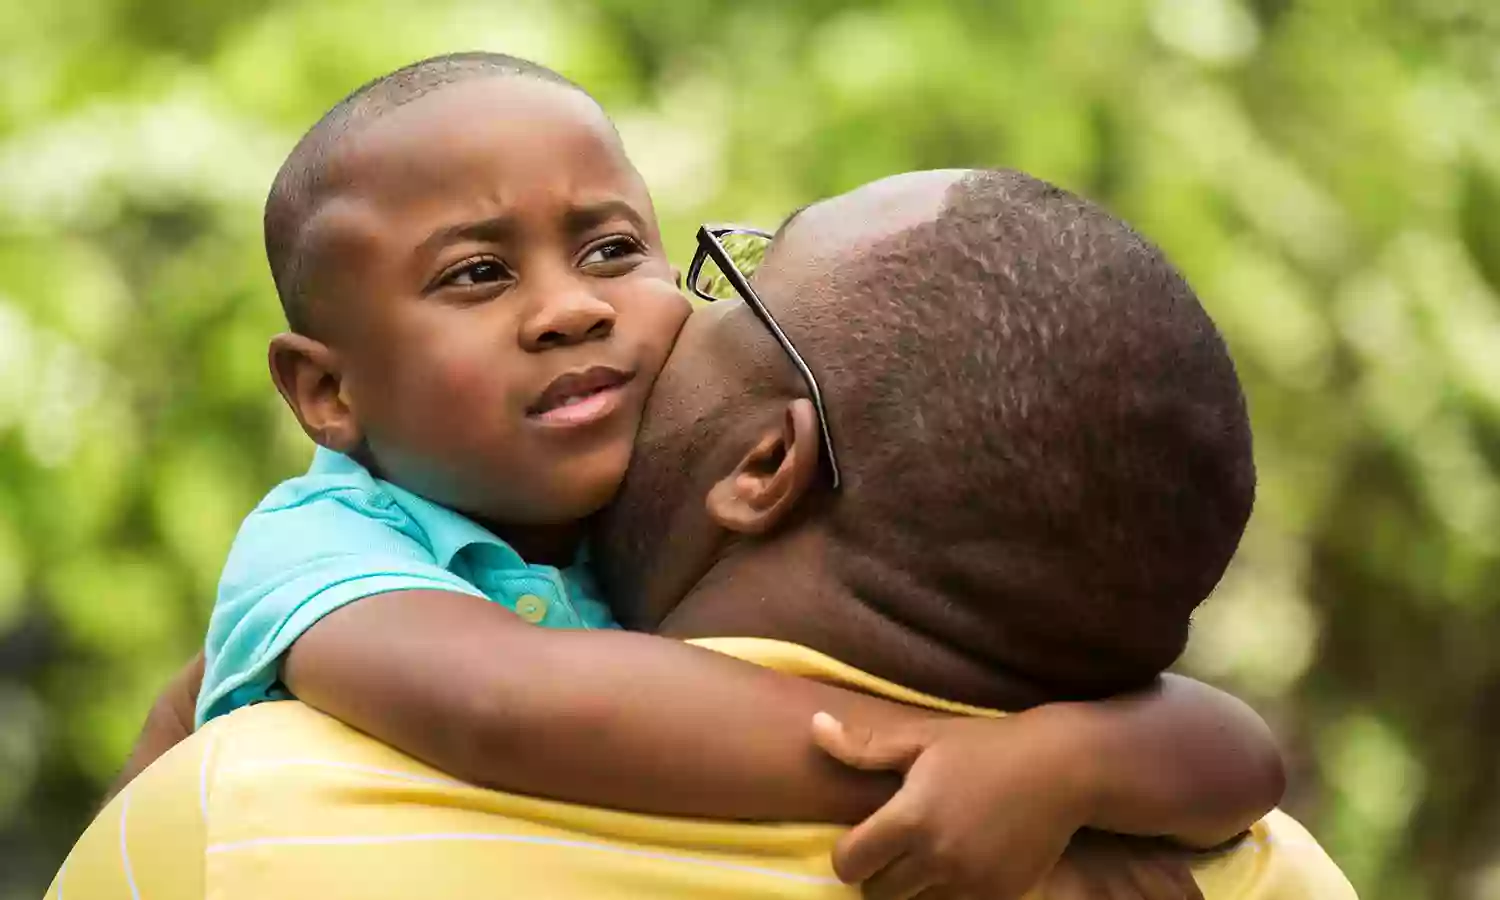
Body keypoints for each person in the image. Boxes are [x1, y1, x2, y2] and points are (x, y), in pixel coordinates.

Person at [48, 167, 1356, 899]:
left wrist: (1060, 769)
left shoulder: (238, 833)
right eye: (478, 274)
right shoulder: (1265, 879)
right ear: (327, 391)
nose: (580, 314)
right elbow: (508, 707)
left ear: (769, 462)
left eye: (624, 252)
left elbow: (1232, 746)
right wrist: (995, 780)